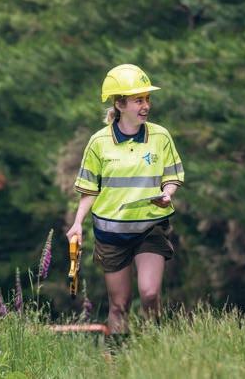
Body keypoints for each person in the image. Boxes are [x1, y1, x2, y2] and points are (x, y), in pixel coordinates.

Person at [66, 64, 184, 344]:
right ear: (120, 104)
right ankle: (118, 359)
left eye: (147, 99)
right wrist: (77, 223)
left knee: (150, 294)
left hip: (150, 228)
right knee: (119, 304)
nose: (146, 106)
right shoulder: (98, 142)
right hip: (111, 234)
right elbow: (89, 190)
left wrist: (167, 194)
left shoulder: (160, 136)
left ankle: (155, 349)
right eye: (138, 100)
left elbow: (172, 177)